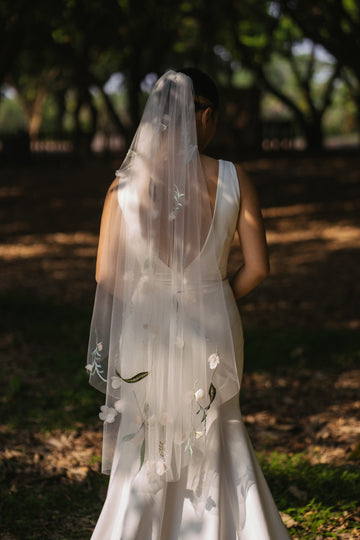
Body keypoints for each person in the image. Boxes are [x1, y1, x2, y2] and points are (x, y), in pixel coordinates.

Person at [86, 68, 290, 539]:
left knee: (146, 432)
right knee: (218, 426)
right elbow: (257, 268)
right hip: (213, 326)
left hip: (146, 331)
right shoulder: (235, 179)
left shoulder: (121, 189)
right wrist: (213, 298)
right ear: (207, 116)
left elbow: (104, 275)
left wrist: (156, 302)